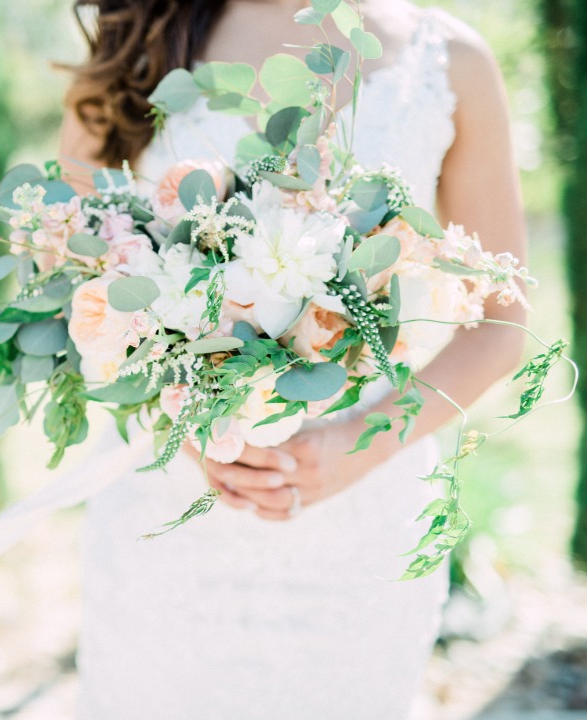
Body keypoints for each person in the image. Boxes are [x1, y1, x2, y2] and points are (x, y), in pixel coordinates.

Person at [58, 0, 527, 718]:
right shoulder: (138, 47)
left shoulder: (453, 63)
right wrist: (185, 419)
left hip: (362, 521)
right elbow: (74, 278)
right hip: (168, 514)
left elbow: (501, 323)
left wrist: (353, 449)